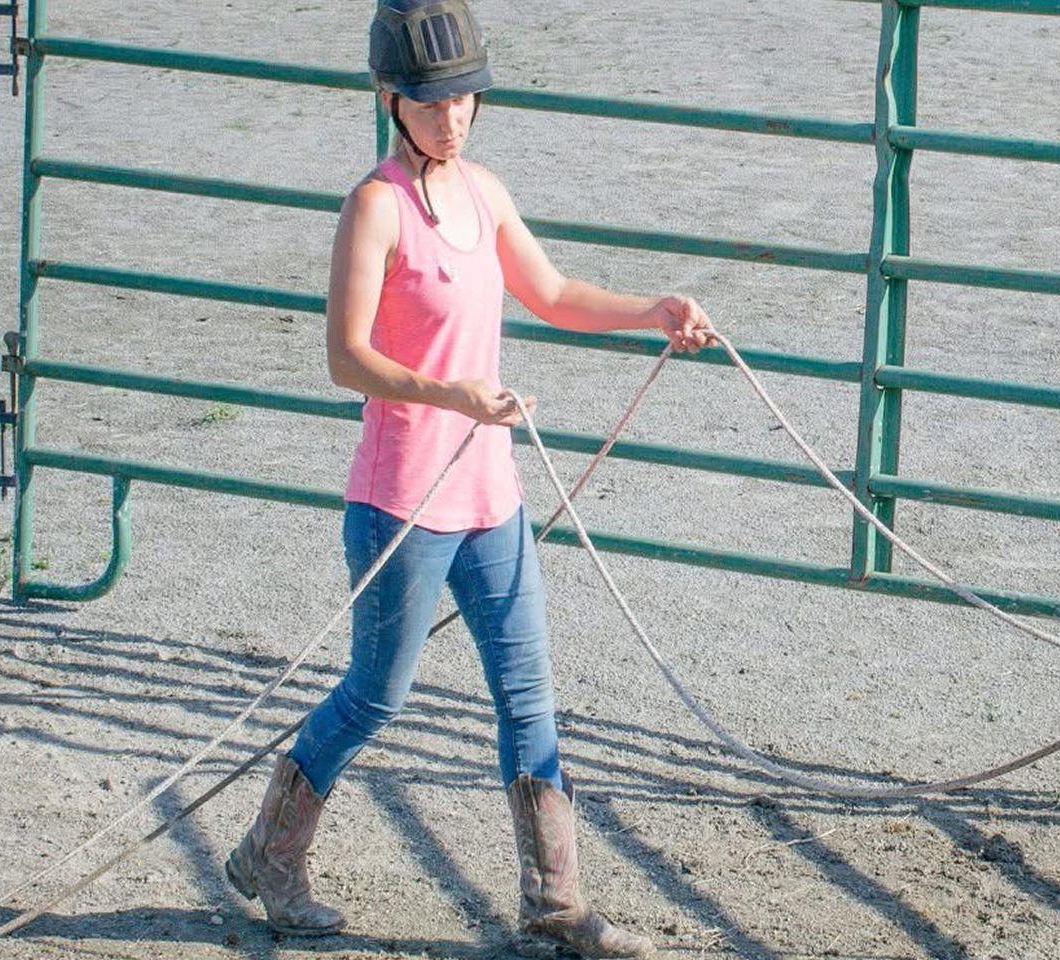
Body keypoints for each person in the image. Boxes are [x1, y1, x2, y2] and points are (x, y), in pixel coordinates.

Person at [223, 1, 712, 955]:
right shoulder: (375, 207)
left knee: (527, 693)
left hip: (491, 496)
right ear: (391, 100)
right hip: (402, 499)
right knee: (376, 695)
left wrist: (651, 308)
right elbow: (346, 357)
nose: (453, 119)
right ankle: (268, 855)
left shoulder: (484, 193)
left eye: (465, 100)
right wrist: (451, 393)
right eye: (432, 102)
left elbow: (553, 292)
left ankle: (556, 903)